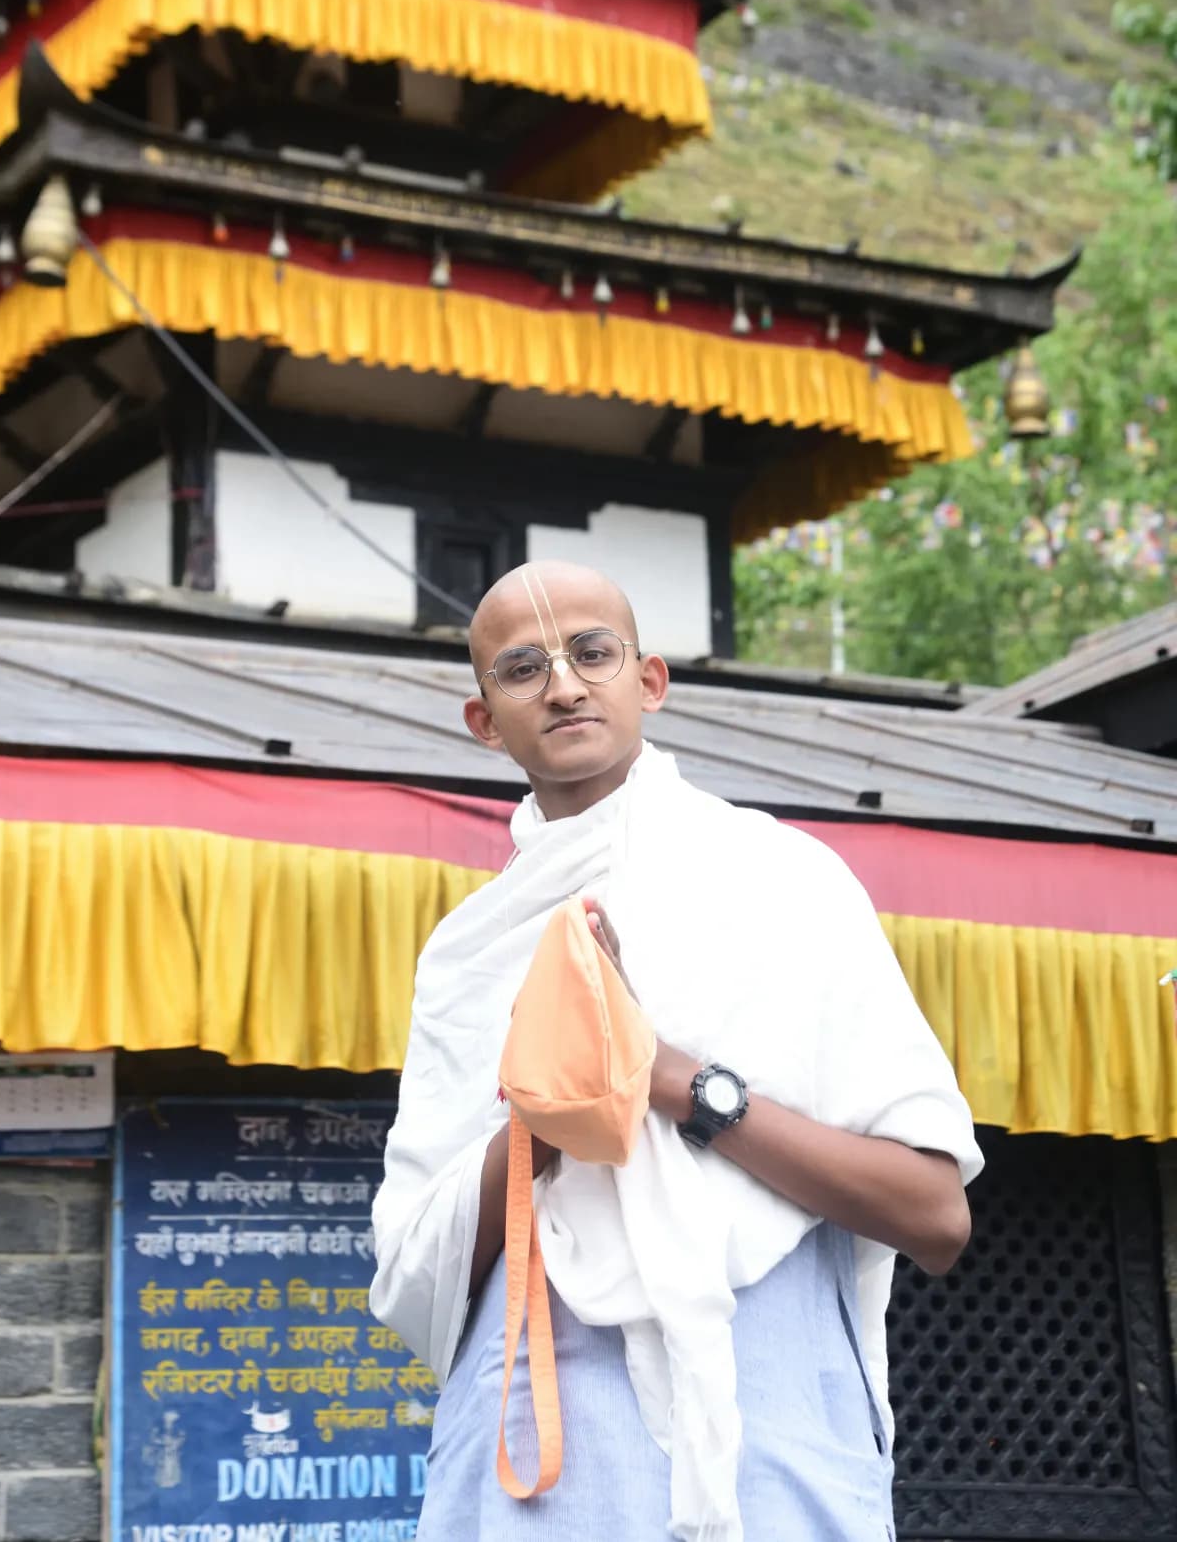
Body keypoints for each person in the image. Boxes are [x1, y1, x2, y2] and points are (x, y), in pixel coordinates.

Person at [371, 560, 982, 1542]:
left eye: (592, 653)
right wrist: (555, 1101)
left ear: (648, 681)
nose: (564, 684)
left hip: (767, 1414)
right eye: (523, 668)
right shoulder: (468, 951)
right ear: (484, 720)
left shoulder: (785, 878)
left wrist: (665, 1079)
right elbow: (414, 1277)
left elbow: (934, 1214)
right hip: (536, 1439)